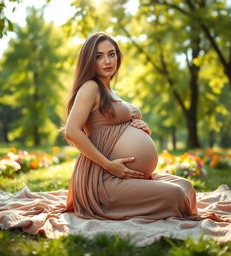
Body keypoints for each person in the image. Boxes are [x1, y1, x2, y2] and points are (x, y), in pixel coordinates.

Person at [64, 32, 198, 220]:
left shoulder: (111, 91)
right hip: (103, 178)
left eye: (112, 54)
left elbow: (112, 123)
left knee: (187, 187)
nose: (107, 60)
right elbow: (72, 132)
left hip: (127, 175)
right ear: (89, 60)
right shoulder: (90, 87)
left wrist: (137, 126)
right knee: (176, 196)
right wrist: (109, 165)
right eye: (98, 56)